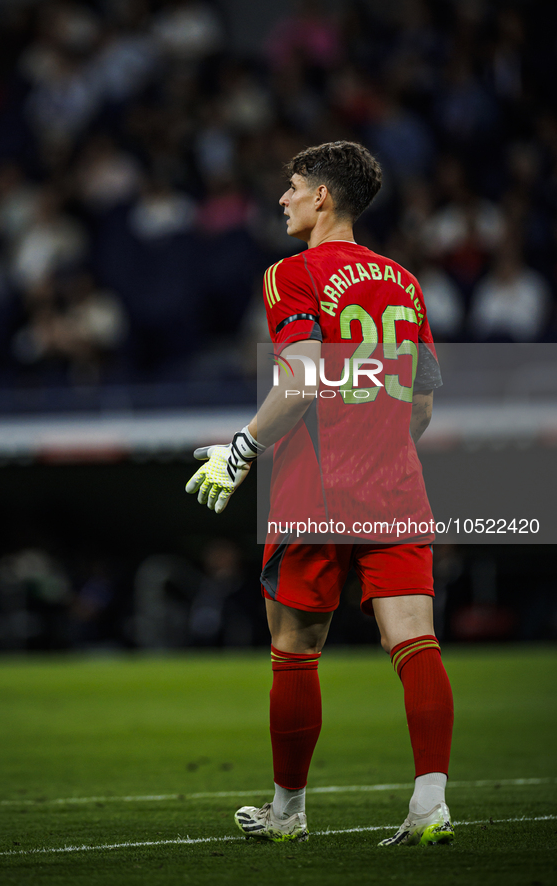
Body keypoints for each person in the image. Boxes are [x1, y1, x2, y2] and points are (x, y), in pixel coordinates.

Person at [186, 141, 454, 847]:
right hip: (395, 487)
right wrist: (379, 450)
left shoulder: (291, 274)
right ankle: (430, 804)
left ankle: (287, 814)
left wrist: (241, 448)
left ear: (322, 199)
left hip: (315, 491)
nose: (282, 199)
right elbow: (421, 404)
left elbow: (300, 379)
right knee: (415, 641)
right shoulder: (402, 280)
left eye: (292, 187)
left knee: (295, 647)